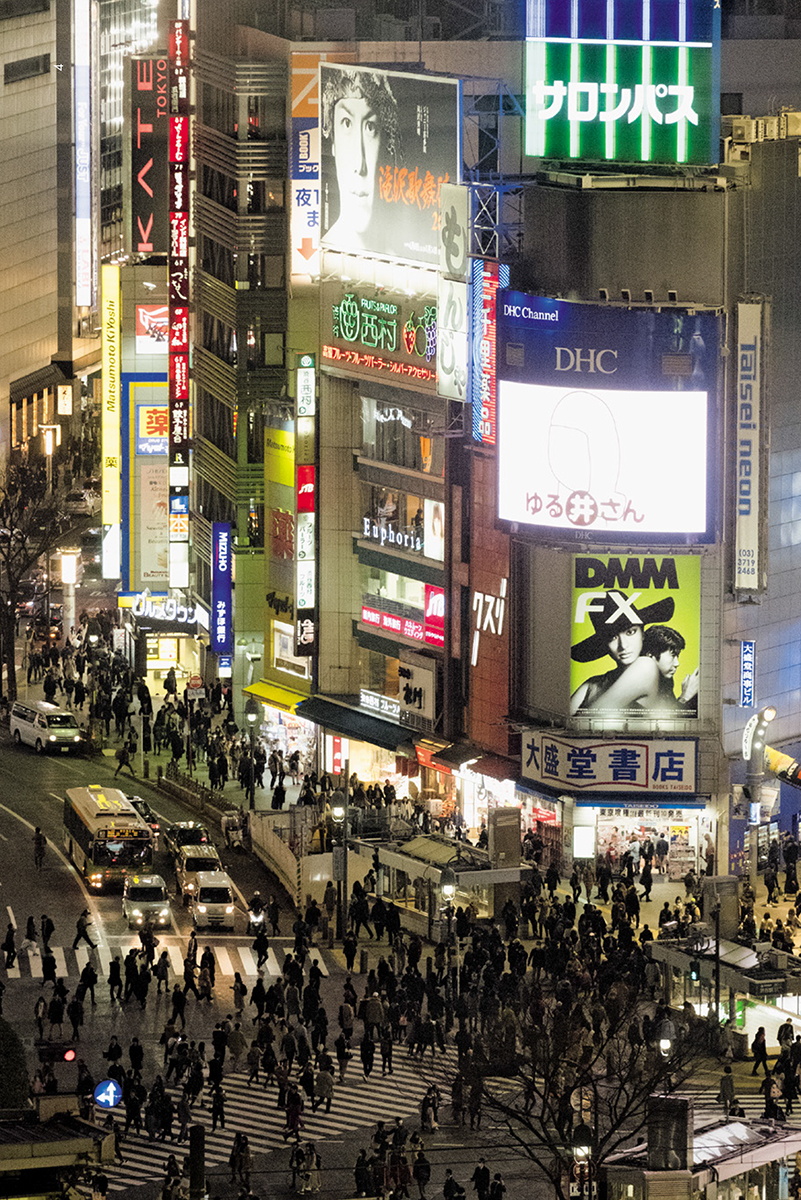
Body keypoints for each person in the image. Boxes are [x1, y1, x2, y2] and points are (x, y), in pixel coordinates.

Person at [321, 66, 400, 254]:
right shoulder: (320, 256)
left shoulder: (405, 256)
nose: (360, 164)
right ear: (332, 141)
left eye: (370, 127)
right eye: (346, 123)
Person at [569, 591, 676, 714]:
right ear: (604, 644)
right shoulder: (593, 684)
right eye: (612, 637)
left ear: (642, 634)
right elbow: (565, 723)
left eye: (630, 632)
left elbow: (588, 720)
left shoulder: (646, 666)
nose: (623, 645)